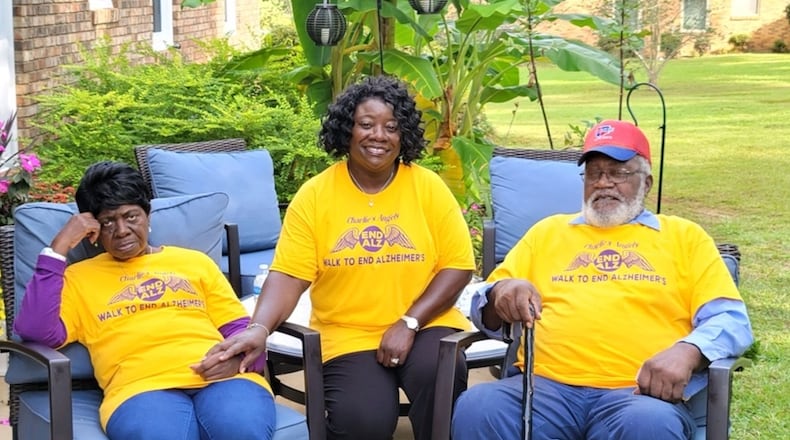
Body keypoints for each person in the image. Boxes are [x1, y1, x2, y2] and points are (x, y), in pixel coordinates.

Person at [451, 119, 754, 440]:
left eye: (619, 172)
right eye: (594, 173)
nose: (603, 183)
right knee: (479, 405)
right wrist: (501, 291)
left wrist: (688, 351)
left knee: (649, 425)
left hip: (638, 395)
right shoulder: (547, 233)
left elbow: (731, 319)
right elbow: (483, 304)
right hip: (543, 390)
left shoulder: (684, 237)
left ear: (647, 182)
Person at [210, 75, 475, 439]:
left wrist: (409, 322)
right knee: (362, 420)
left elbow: (458, 266)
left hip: (427, 323)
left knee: (438, 374)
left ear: (404, 135)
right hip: (347, 334)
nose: (378, 136)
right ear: (345, 130)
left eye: (391, 127)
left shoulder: (427, 187)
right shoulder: (316, 195)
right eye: (366, 124)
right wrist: (259, 328)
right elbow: (288, 275)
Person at [14, 161, 276, 440]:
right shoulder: (78, 278)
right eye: (107, 222)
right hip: (140, 390)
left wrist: (238, 363)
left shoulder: (194, 263)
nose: (122, 230)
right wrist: (59, 247)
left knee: (242, 429)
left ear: (148, 215)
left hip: (224, 379)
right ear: (92, 230)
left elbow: (242, 331)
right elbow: (36, 332)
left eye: (131, 216)